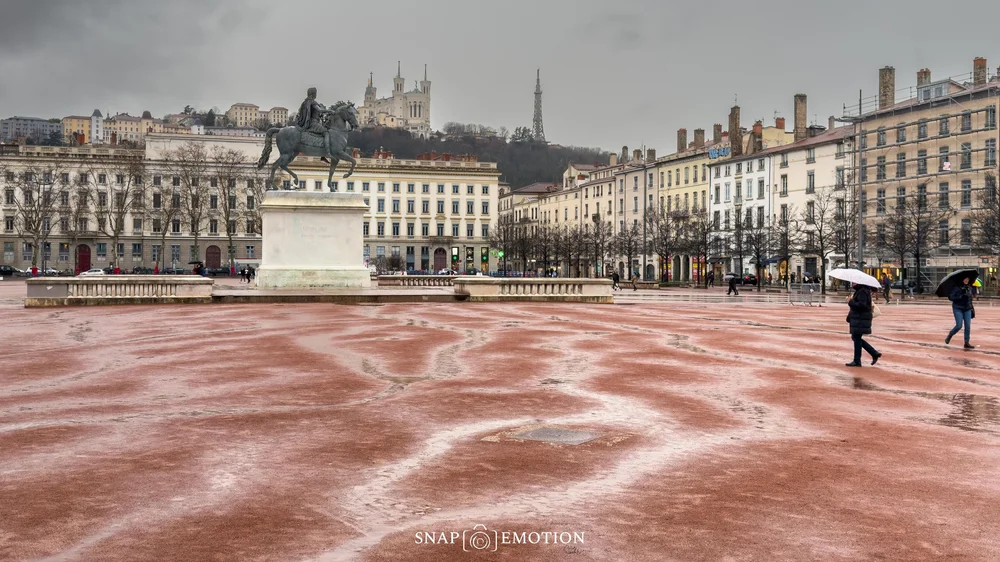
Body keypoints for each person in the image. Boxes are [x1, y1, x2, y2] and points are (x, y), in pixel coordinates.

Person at [845, 283, 882, 367]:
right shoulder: (861, 291)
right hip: (859, 318)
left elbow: (862, 306)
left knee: (856, 338)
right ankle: (873, 353)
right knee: (856, 338)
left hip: (861, 319)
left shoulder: (862, 291)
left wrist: (850, 301)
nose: (852, 283)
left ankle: (858, 360)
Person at [296, 87, 331, 157]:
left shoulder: (305, 102)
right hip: (313, 123)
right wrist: (330, 111)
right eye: (315, 93)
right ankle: (327, 152)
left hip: (311, 122)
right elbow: (319, 110)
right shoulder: (312, 102)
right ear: (313, 93)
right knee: (326, 132)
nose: (316, 94)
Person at [946, 276, 975, 349]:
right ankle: (950, 334)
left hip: (967, 308)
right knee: (959, 325)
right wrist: (960, 296)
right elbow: (951, 297)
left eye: (968, 279)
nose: (966, 280)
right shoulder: (956, 287)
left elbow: (970, 299)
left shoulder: (969, 287)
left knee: (967, 326)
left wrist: (971, 308)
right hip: (958, 308)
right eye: (965, 278)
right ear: (962, 279)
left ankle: (966, 342)